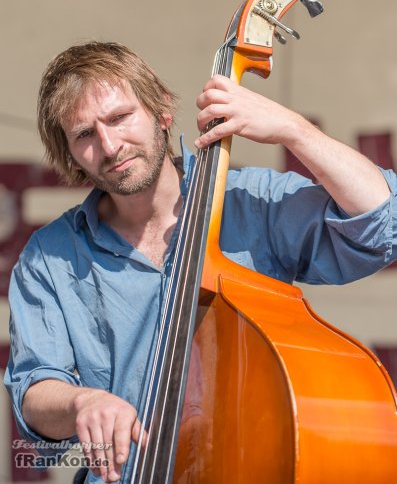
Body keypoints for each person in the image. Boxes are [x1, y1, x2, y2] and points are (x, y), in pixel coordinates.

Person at [4, 41, 396, 484]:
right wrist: (81, 403)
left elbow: (381, 223)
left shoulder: (248, 203)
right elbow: (33, 389)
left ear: (161, 113)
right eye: (85, 135)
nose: (110, 146)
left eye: (119, 118)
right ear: (70, 154)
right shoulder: (49, 257)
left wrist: (294, 130)